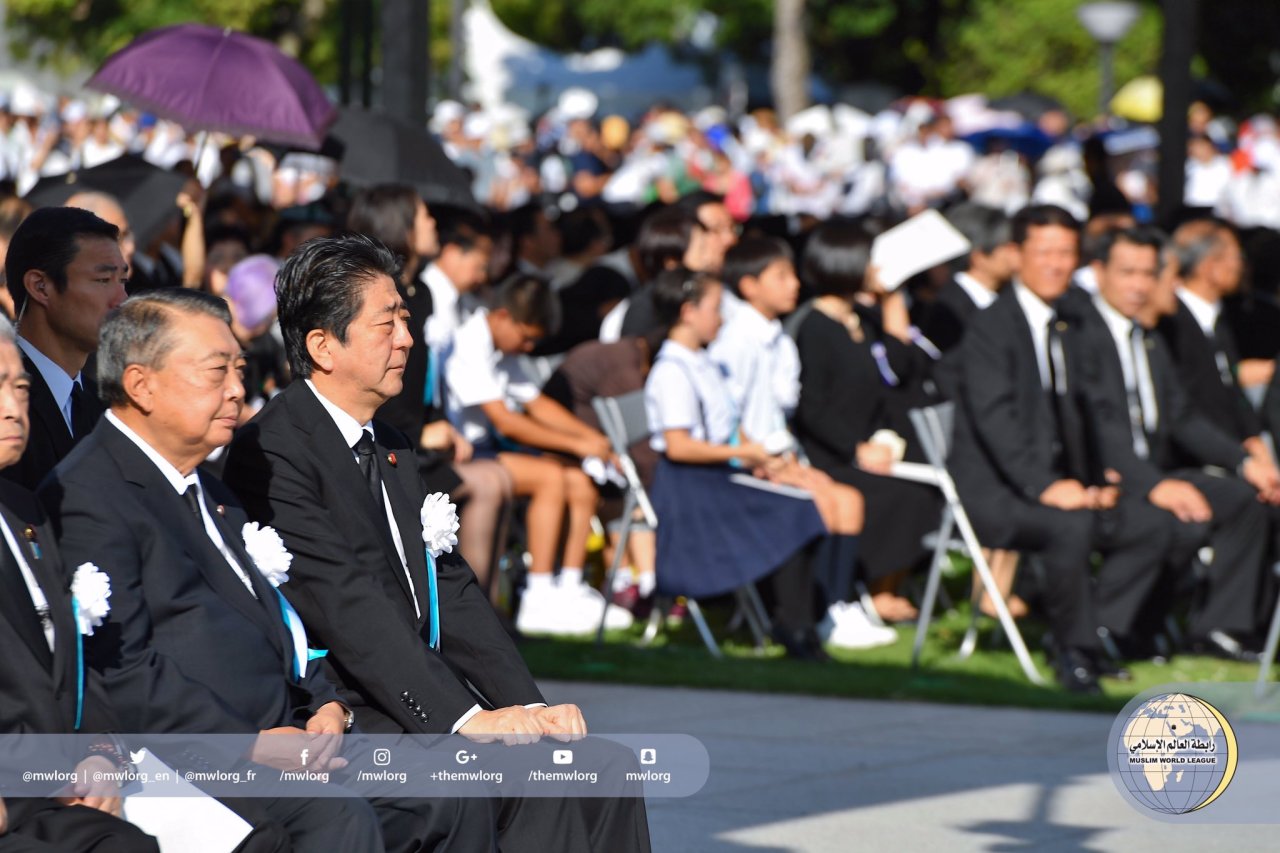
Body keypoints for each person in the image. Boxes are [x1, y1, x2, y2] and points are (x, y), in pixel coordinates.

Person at [222, 236, 651, 852]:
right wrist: (469, 721)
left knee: (601, 768)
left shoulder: (391, 444)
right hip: (349, 706)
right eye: (386, 323)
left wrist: (528, 709)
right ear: (322, 346)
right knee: (531, 781)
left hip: (419, 691)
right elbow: (346, 604)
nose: (406, 339)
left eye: (405, 319)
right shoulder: (276, 450)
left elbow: (452, 589)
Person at [39, 288, 480, 853]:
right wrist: (250, 745)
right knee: (336, 820)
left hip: (291, 732)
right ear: (140, 384)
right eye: (215, 371)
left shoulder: (212, 491)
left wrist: (327, 704)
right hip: (191, 756)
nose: (235, 390)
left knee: (453, 787)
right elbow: (123, 669)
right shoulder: (90, 493)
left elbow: (280, 622)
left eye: (239, 369)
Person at [949, 204, 1175, 692]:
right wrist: (1046, 486)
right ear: (1016, 255)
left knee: (1151, 522)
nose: (1056, 264)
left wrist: (1101, 479)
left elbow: (1093, 410)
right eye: (1045, 252)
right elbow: (996, 422)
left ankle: (1096, 633)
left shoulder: (1074, 321)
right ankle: (1074, 653)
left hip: (1066, 484)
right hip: (999, 490)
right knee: (1068, 525)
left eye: (1066, 253)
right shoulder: (992, 326)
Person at [1068, 225, 1272, 660]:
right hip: (1104, 475)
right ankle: (1113, 629)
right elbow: (1100, 430)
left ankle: (1219, 628)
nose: (1139, 286)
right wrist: (1155, 485)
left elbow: (1181, 418)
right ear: (1099, 272)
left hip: (1154, 467)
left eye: (1148, 274)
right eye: (1128, 273)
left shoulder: (1148, 337)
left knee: (1243, 500)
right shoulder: (1080, 336)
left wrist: (1243, 461)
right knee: (1178, 520)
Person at [0, 315, 159, 853]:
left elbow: (67, 660)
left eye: (19, 386)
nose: (12, 406)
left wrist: (99, 753)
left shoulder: (23, 508)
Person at [709, 237, 892, 647]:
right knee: (825, 500)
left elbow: (779, 414)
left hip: (775, 455)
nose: (794, 285)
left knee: (847, 499)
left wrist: (790, 461)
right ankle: (811, 612)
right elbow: (727, 416)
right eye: (781, 276)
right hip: (742, 464)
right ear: (749, 286)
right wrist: (765, 462)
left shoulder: (778, 338)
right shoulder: (736, 340)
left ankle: (835, 605)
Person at [643, 268, 831, 659]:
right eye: (715, 308)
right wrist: (745, 455)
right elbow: (679, 447)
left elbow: (731, 426)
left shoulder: (702, 362)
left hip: (717, 477)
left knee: (801, 497)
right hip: (691, 488)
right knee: (794, 512)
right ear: (688, 311)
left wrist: (764, 461)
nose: (722, 318)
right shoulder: (672, 370)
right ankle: (793, 625)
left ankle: (799, 621)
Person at [441, 272, 630, 635]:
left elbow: (536, 403)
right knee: (550, 477)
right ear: (502, 317)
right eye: (527, 338)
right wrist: (577, 444)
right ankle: (538, 595)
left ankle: (568, 586)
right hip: (467, 453)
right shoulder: (470, 342)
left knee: (579, 481)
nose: (528, 348)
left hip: (489, 450)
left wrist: (594, 440)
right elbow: (506, 421)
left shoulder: (502, 343)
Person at [347, 186, 513, 594]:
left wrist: (439, 425)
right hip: (387, 442)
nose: (433, 223)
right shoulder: (385, 300)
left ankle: (488, 608)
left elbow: (426, 384)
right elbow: (382, 391)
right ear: (398, 224)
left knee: (498, 477)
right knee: (488, 483)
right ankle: (468, 604)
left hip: (416, 437)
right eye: (423, 216)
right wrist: (423, 434)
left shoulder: (419, 293)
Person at [791, 223, 946, 628]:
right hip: (833, 453)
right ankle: (875, 592)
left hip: (870, 442)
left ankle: (885, 590)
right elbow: (812, 406)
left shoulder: (860, 318)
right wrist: (854, 449)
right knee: (901, 496)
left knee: (927, 488)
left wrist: (892, 298)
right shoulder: (814, 328)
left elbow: (901, 365)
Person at [3, 206, 127, 490]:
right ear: (41, 287)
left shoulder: (104, 409)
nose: (121, 299)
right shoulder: (7, 407)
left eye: (123, 281)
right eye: (103, 280)